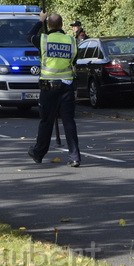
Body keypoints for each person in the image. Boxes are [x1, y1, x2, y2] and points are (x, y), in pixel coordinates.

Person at [28, 11, 81, 168]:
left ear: (49, 24)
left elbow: (29, 36)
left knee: (46, 122)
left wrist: (39, 21)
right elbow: (74, 60)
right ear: (62, 25)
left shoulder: (43, 39)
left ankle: (38, 152)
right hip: (67, 87)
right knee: (69, 121)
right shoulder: (72, 41)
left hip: (49, 87)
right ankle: (75, 157)